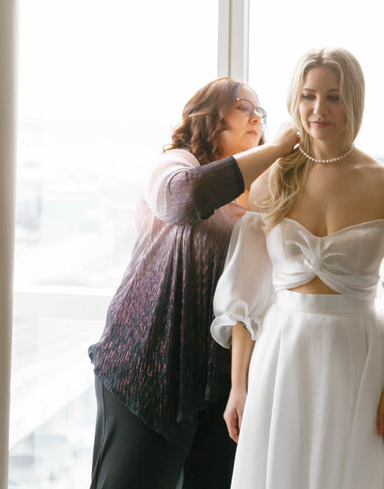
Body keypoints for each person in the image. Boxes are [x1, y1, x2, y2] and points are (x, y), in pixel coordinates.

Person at [211, 48, 384, 489]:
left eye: (334, 97)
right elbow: (245, 300)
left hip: (359, 358)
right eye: (308, 96)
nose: (319, 110)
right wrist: (238, 386)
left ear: (353, 101)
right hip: (283, 358)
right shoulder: (274, 178)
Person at [88, 77, 300, 489]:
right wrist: (276, 149)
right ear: (209, 116)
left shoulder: (264, 198)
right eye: (244, 106)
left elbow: (255, 297)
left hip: (221, 385)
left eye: (261, 112)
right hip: (147, 367)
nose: (257, 116)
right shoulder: (176, 165)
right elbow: (183, 200)